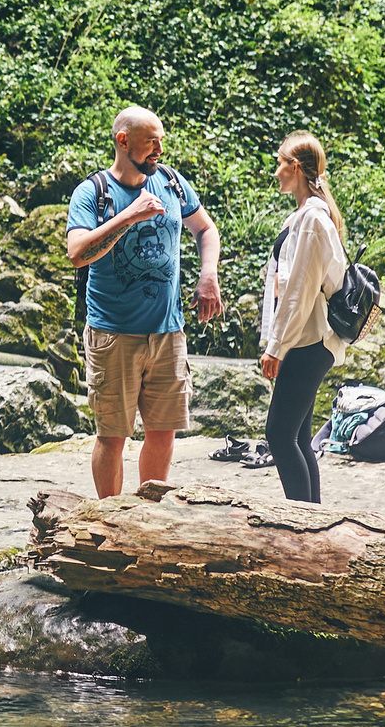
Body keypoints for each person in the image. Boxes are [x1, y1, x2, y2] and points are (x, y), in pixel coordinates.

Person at [66, 106, 223, 497]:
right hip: (113, 333)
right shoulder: (94, 192)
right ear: (123, 141)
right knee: (112, 437)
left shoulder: (171, 182)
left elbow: (205, 228)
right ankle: (111, 523)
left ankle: (151, 518)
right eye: (151, 140)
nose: (159, 148)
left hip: (168, 333)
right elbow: (78, 253)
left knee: (163, 433)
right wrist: (128, 216)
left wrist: (208, 276)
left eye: (161, 139)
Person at [257, 132, 350, 503]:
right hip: (306, 340)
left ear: (295, 167)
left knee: (279, 435)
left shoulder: (312, 219)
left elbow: (299, 290)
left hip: (308, 342)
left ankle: (304, 526)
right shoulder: (302, 216)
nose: (276, 171)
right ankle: (313, 520)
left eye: (280, 163)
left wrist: (276, 347)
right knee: (296, 437)